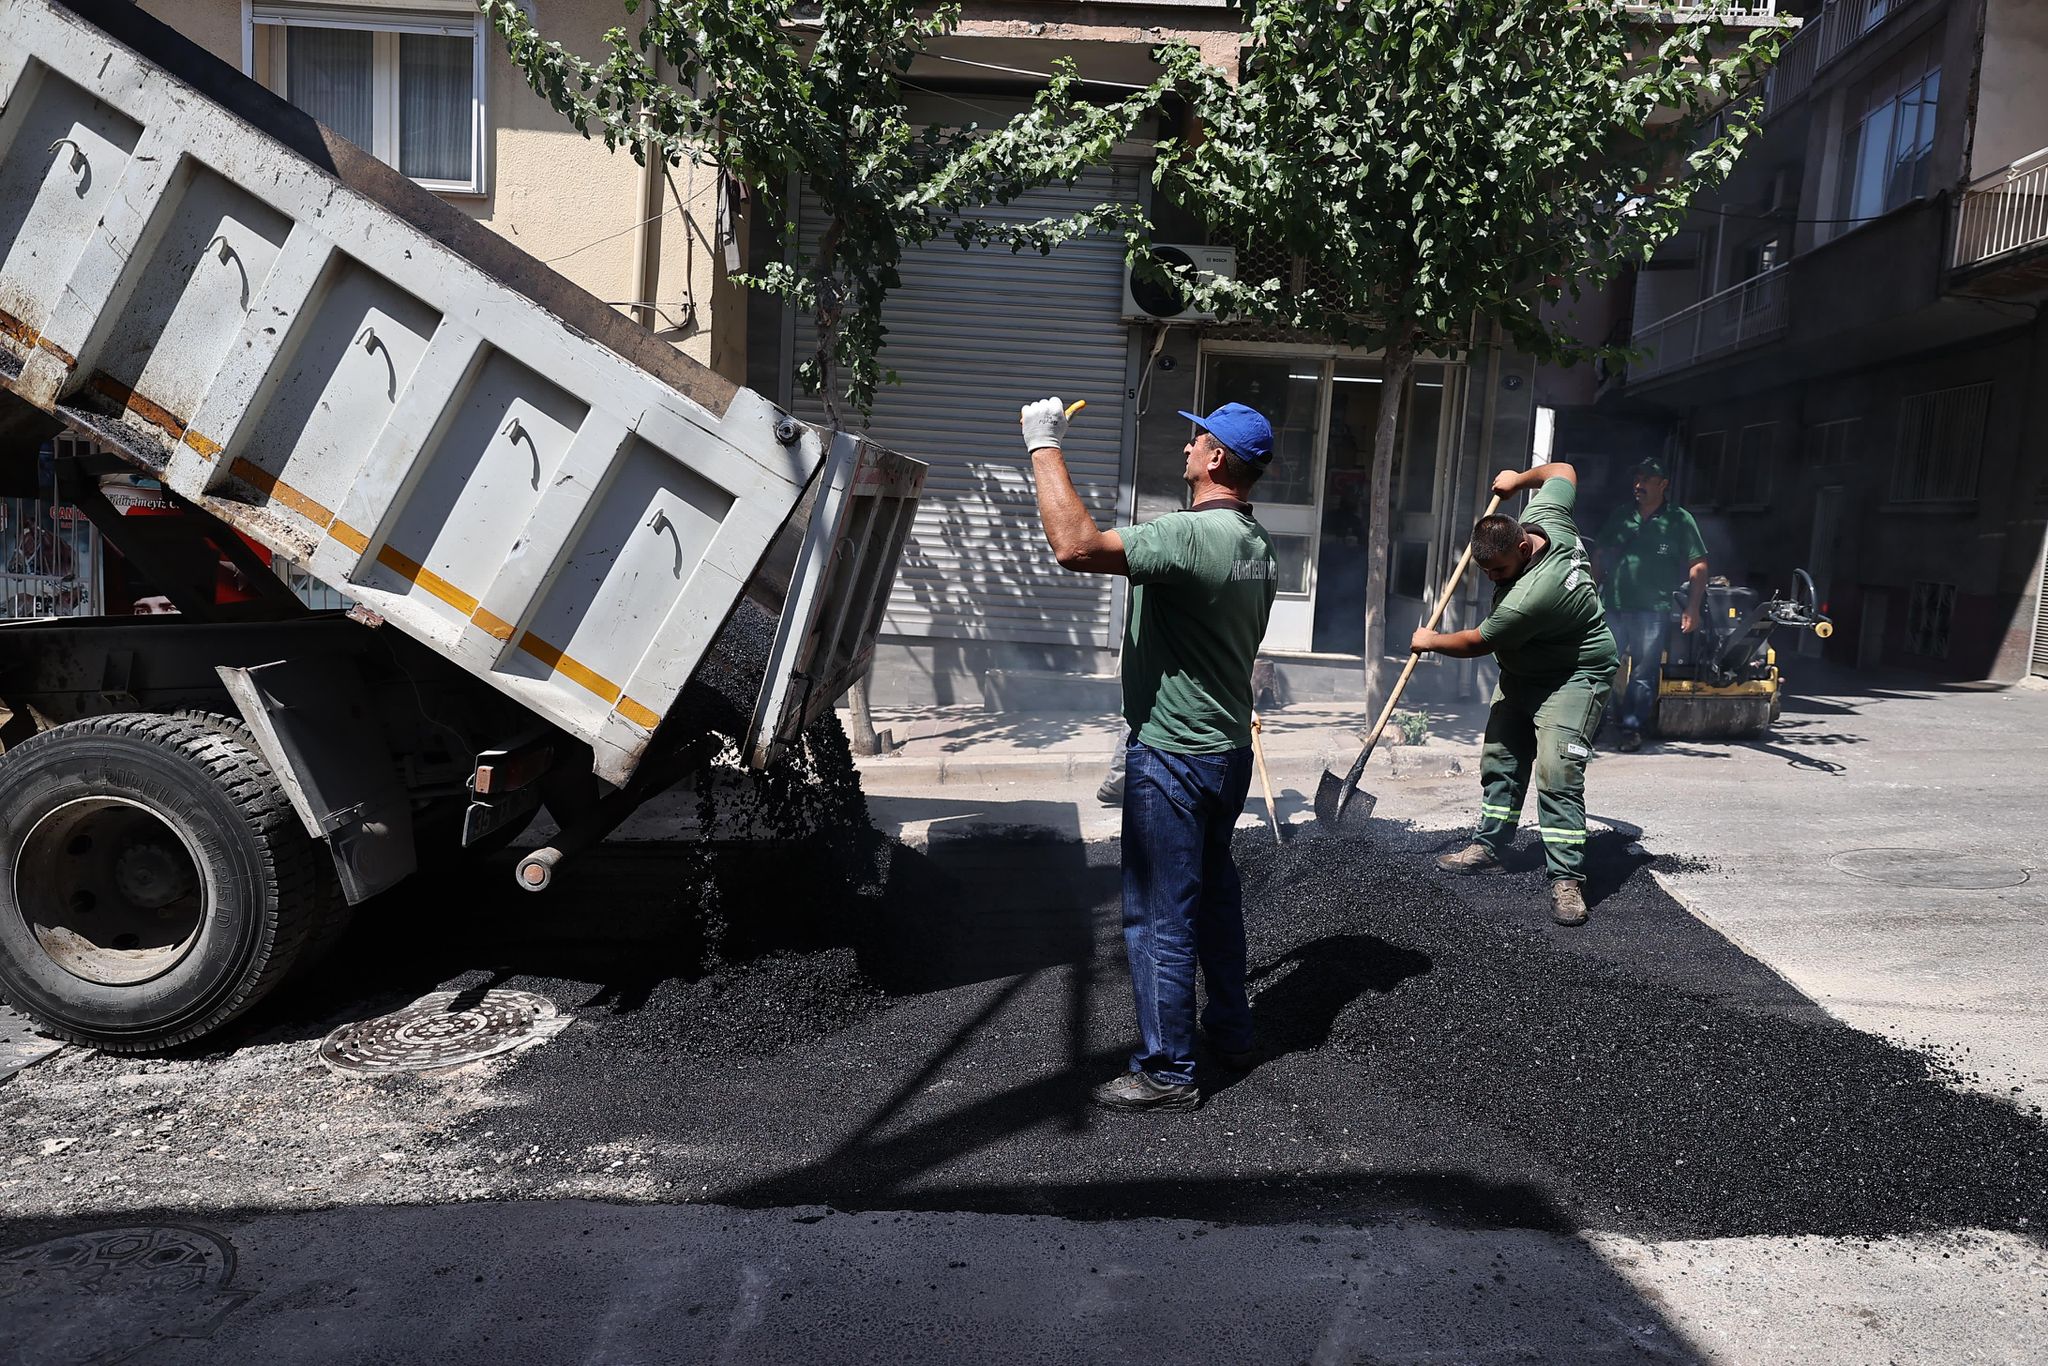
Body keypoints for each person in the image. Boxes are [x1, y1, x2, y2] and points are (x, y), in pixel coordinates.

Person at [1022, 396, 1278, 1113]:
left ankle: (1168, 1070)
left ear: (1217, 459)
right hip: (1223, 750)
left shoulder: (1191, 537)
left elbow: (1076, 547)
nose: (1188, 446)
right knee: (1216, 901)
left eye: (1197, 439)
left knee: (1160, 914)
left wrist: (1044, 446)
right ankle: (1231, 1031)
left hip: (1175, 757)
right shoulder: (1258, 544)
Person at [1409, 463, 1618, 927]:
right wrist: (1518, 479)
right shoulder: (1546, 515)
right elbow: (1564, 470)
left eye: (1499, 569)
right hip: (1524, 669)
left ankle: (1566, 878)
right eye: (1484, 569)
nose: (1490, 578)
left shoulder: (1532, 595)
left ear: (1523, 548)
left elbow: (1478, 642)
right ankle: (1490, 846)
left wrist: (1429, 641)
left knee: (1556, 769)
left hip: (1574, 675)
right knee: (1501, 757)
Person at [1593, 458, 1708, 751]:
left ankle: (1631, 729)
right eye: (1637, 479)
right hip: (1613, 606)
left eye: (1646, 480)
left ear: (1663, 484)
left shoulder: (1680, 520)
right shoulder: (1621, 515)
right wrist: (1589, 597)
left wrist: (1692, 608)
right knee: (1600, 667)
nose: (1638, 485)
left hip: (1652, 611)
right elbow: (1600, 556)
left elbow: (1699, 565)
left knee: (1643, 674)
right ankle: (1592, 725)